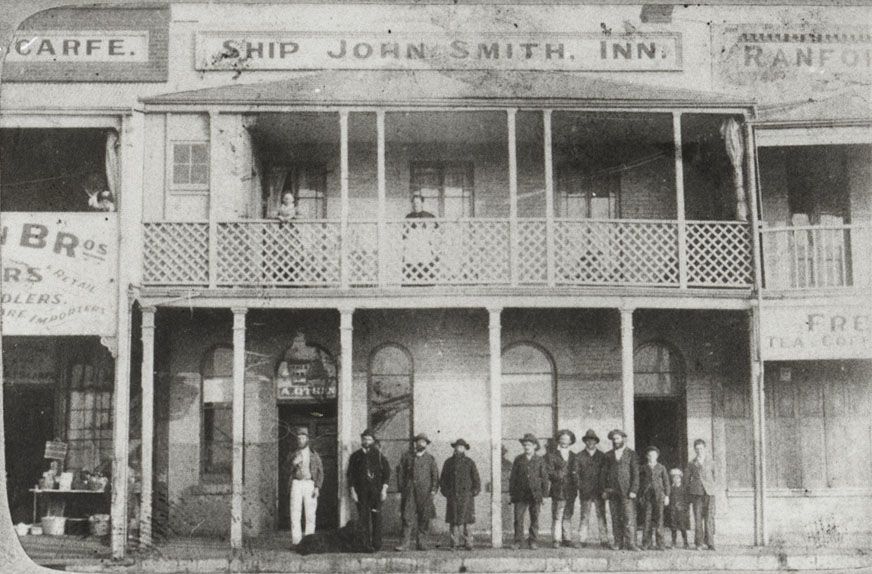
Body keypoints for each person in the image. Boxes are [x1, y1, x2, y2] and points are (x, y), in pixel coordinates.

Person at [347, 429, 391, 552]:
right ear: (362, 440)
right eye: (365, 439)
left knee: (377, 518)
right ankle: (365, 544)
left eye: (369, 439)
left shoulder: (378, 455)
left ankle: (377, 544)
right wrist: (352, 491)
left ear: (373, 441)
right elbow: (350, 475)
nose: (367, 441)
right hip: (361, 493)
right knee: (363, 519)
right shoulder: (355, 456)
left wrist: (384, 490)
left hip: (376, 493)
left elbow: (387, 473)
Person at [395, 433, 440, 551]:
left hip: (425, 493)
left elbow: (435, 476)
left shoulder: (430, 459)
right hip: (409, 492)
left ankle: (422, 543)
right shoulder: (407, 457)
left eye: (423, 442)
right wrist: (402, 489)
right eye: (419, 441)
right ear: (416, 443)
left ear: (426, 444)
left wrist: (433, 491)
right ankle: (404, 544)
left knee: (424, 518)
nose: (421, 444)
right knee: (407, 517)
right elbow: (400, 473)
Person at [509, 433, 549, 550]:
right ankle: (518, 541)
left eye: (529, 445)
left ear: (534, 446)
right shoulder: (518, 459)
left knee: (535, 518)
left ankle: (533, 541)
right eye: (525, 445)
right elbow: (513, 478)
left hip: (535, 494)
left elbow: (545, 478)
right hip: (520, 494)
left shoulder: (539, 460)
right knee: (518, 518)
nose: (527, 447)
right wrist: (512, 494)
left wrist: (545, 495)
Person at [601, 429, 640, 551]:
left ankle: (631, 543)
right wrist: (605, 490)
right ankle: (618, 542)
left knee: (629, 517)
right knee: (615, 517)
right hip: (612, 491)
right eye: (614, 439)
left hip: (627, 491)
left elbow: (636, 474)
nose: (615, 441)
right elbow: (603, 474)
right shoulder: (608, 455)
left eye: (617, 438)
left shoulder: (631, 454)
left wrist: (634, 489)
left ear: (623, 439)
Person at [440, 438, 481, 551]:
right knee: (454, 521)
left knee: (467, 521)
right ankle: (454, 543)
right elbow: (443, 479)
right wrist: (446, 492)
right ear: (455, 448)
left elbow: (476, 479)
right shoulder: (448, 462)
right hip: (453, 496)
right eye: (458, 447)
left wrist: (473, 492)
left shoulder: (469, 462)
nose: (460, 449)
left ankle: (468, 543)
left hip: (467, 496)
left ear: (464, 449)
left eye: (462, 447)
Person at [287, 427, 324, 547]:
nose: (300, 440)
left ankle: (309, 542)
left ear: (307, 439)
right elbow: (285, 469)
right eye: (299, 438)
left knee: (310, 514)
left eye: (303, 438)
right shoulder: (292, 453)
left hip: (309, 484)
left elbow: (320, 472)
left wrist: (317, 487)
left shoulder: (314, 454)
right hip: (296, 483)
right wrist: (293, 463)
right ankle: (296, 542)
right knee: (295, 513)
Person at [544, 429, 578, 548]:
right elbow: (549, 471)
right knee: (558, 515)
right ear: (559, 440)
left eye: (567, 439)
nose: (564, 441)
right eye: (562, 438)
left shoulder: (574, 456)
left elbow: (576, 472)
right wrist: (560, 474)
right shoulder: (551, 455)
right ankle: (556, 539)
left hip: (571, 490)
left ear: (571, 441)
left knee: (568, 515)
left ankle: (567, 538)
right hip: (558, 489)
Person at [576, 429, 609, 548]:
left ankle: (604, 540)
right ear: (585, 442)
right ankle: (582, 540)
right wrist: (581, 487)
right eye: (588, 440)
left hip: (599, 492)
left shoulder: (602, 456)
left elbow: (606, 474)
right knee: (584, 516)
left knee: (601, 515)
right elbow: (576, 475)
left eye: (593, 440)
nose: (590, 443)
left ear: (596, 442)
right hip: (585, 492)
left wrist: (604, 490)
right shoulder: (579, 456)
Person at [686, 438, 716, 550]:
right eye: (697, 448)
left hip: (709, 493)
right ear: (694, 449)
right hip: (697, 494)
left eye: (701, 448)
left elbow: (715, 476)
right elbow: (687, 479)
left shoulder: (711, 462)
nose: (699, 450)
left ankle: (710, 543)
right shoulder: (691, 463)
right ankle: (699, 543)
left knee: (709, 518)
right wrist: (691, 491)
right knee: (698, 518)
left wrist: (711, 488)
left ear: (705, 448)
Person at [639, 446, 670, 550]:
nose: (652, 457)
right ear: (647, 456)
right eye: (650, 455)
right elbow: (639, 482)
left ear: (657, 456)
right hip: (647, 497)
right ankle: (646, 543)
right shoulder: (643, 468)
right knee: (647, 519)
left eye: (654, 455)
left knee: (659, 519)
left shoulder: (661, 468)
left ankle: (660, 543)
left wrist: (667, 496)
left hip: (659, 496)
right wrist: (640, 495)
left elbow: (666, 483)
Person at [402, 194, 438, 283]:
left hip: (425, 246)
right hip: (413, 247)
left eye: (418, 203)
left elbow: (436, 232)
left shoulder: (429, 216)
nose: (415, 205)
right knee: (411, 266)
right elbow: (405, 233)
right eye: (414, 203)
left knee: (425, 265)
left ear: (422, 203)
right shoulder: (408, 217)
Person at [667, 468, 690, 549]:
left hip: (681, 511)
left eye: (677, 477)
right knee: (673, 527)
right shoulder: (670, 488)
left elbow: (687, 500)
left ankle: (686, 543)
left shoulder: (684, 489)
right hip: (673, 510)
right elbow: (668, 498)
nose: (676, 479)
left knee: (683, 527)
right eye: (674, 478)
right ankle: (673, 542)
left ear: (680, 478)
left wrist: (684, 508)